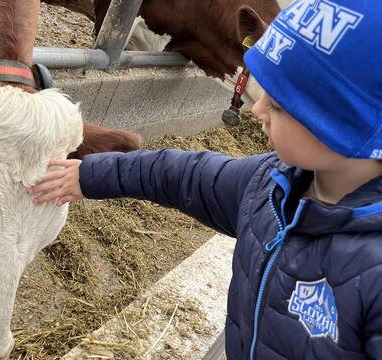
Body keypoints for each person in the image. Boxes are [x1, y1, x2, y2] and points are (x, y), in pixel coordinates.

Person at [30, 0, 382, 358]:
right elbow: (182, 175)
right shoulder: (270, 185)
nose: (257, 109)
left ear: (340, 124)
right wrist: (91, 173)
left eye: (277, 105)